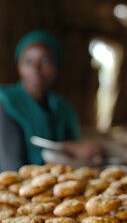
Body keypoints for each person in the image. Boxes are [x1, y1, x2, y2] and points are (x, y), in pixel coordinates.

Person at [0, 29, 104, 171]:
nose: (35, 68)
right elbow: (11, 168)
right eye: (28, 61)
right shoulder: (6, 102)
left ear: (56, 66)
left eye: (45, 61)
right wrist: (66, 148)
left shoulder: (62, 108)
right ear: (18, 63)